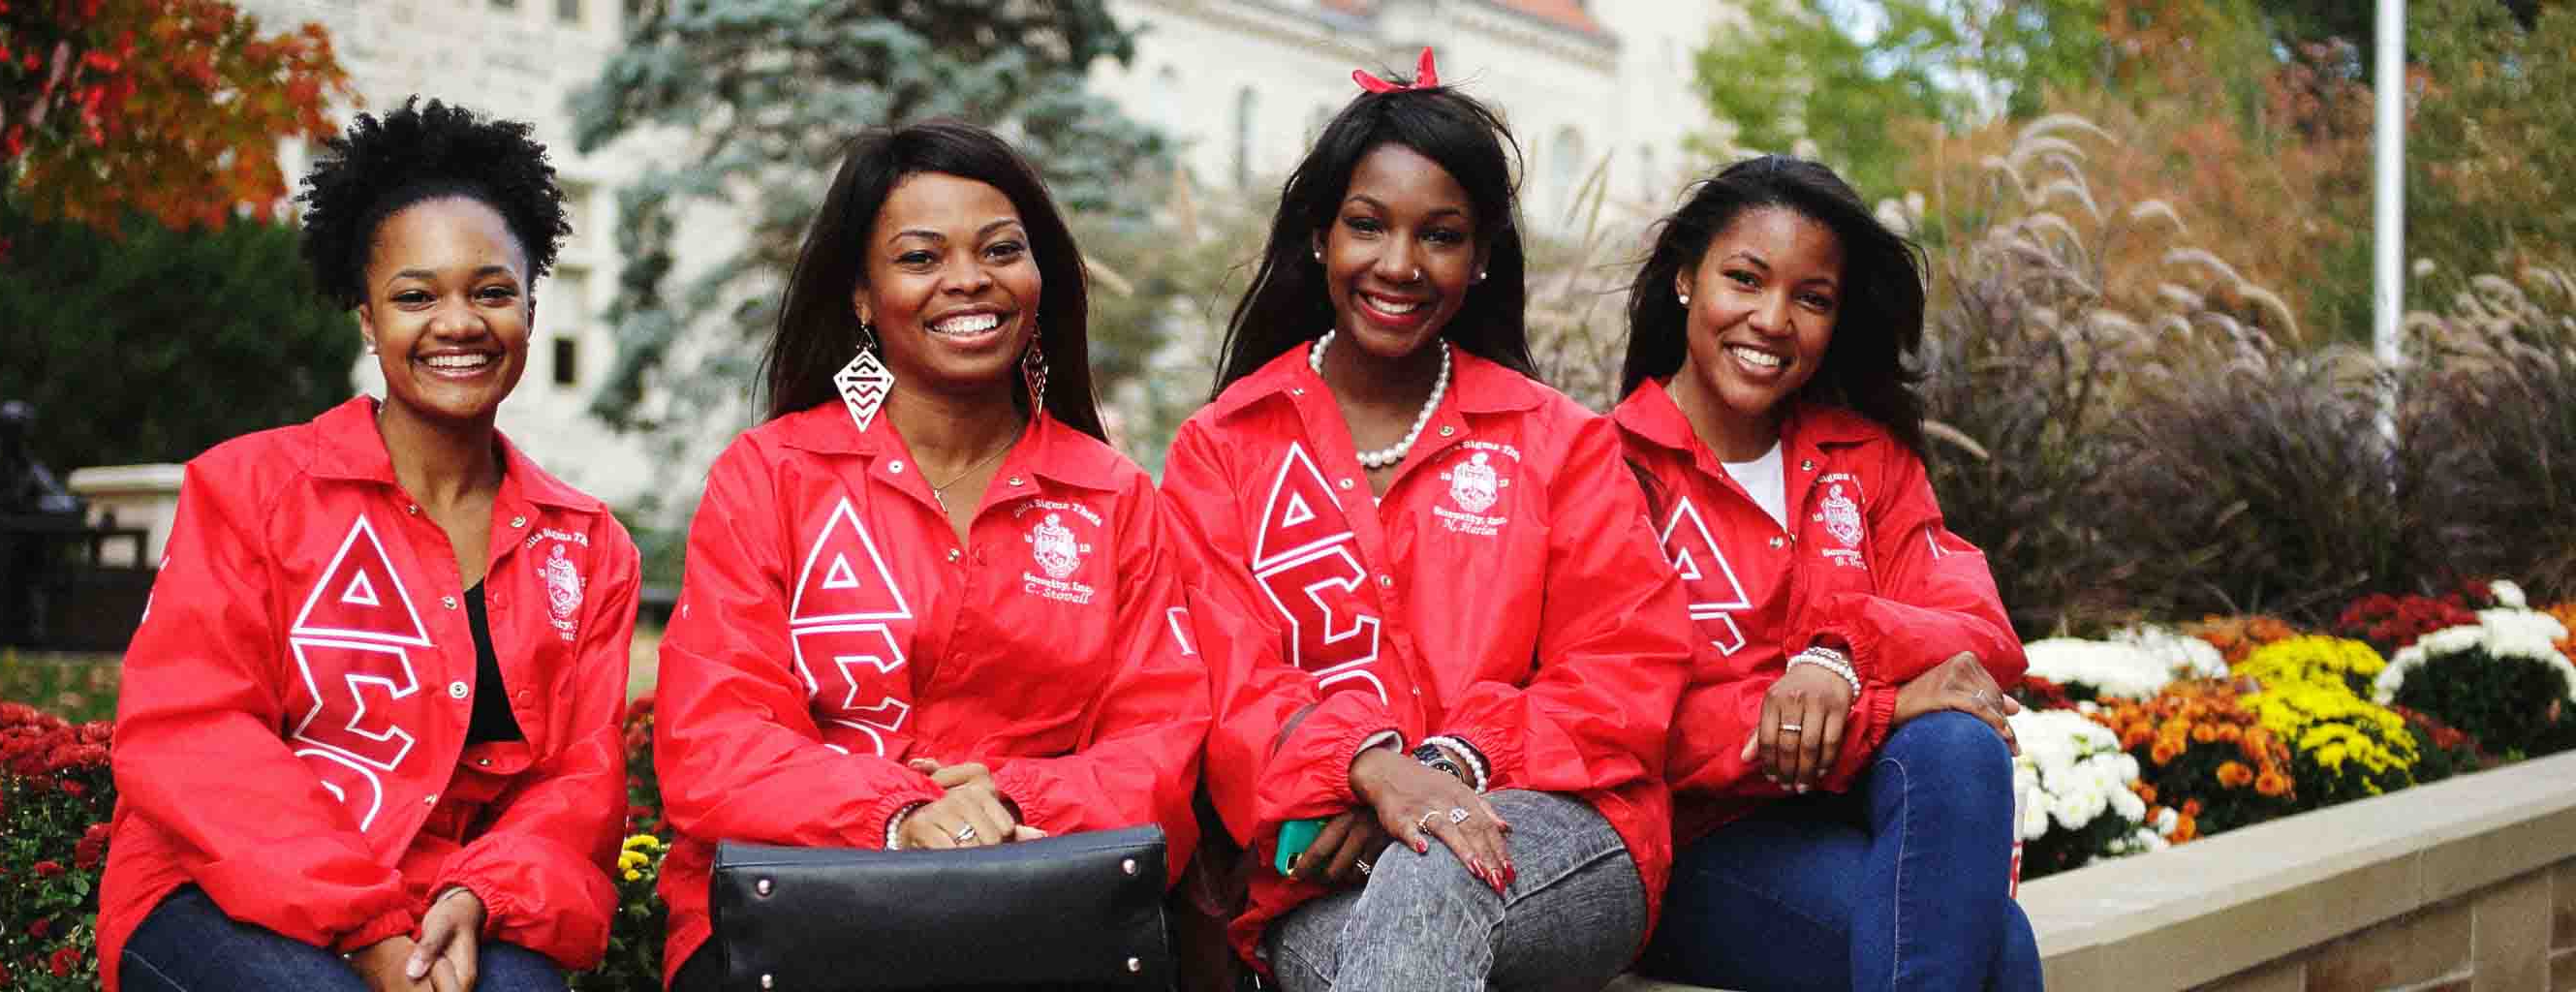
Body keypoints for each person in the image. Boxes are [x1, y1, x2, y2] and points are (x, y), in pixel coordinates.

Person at [1159, 51, 1691, 991]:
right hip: (1312, 867)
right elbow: (1222, 683)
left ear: (1481, 256)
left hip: (1562, 835)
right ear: (1320, 235)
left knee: (1433, 872)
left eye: (1439, 236)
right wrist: (1364, 770)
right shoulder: (1223, 447)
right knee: (1378, 949)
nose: (1398, 265)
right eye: (1367, 226)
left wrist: (1441, 767)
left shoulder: (1554, 441)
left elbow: (1626, 665)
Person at [651, 119, 1210, 989]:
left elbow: (1161, 746)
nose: (967, 280)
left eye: (1000, 250)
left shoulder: (1112, 496)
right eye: (919, 258)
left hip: (1044, 901)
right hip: (798, 910)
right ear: (863, 297)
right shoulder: (771, 477)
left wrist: (1012, 807)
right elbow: (713, 742)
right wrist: (899, 813)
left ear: (1040, 277)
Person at [99, 99, 636, 992]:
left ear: (533, 312)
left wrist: (477, 893)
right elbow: (196, 736)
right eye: (416, 295)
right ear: (365, 317)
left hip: (452, 895)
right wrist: (369, 931)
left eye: (492, 291)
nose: (458, 323)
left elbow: (578, 780)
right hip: (216, 890)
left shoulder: (585, 546)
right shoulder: (251, 492)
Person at [1614, 155, 2038, 991]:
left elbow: (1976, 631)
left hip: (1862, 816)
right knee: (2000, 947)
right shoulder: (1609, 469)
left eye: (1812, 299)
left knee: (1957, 742)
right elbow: (1640, 723)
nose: (1773, 320)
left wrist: (1836, 656)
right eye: (1745, 279)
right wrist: (1881, 707)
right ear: (1683, 279)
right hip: (1694, 847)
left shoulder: (1866, 456)